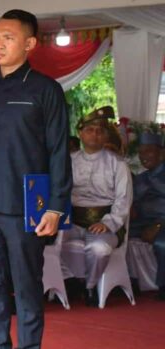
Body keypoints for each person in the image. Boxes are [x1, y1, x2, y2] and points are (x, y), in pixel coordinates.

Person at [0, 9, 71, 349]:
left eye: (8, 38)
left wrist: (56, 207)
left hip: (24, 205)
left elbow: (58, 151)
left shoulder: (45, 89)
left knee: (26, 284)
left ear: (30, 44)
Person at [63, 106, 132, 307]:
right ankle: (69, 280)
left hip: (104, 222)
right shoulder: (68, 161)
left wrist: (108, 223)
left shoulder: (118, 163)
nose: (95, 134)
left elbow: (123, 199)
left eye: (100, 131)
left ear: (106, 136)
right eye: (90, 130)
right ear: (80, 133)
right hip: (71, 221)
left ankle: (90, 286)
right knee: (45, 244)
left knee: (99, 249)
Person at [129, 131, 165, 300]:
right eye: (141, 152)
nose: (143, 156)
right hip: (143, 222)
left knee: (162, 243)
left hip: (162, 222)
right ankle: (129, 281)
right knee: (116, 236)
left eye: (148, 151)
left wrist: (158, 225)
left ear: (161, 152)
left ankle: (163, 286)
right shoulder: (140, 178)